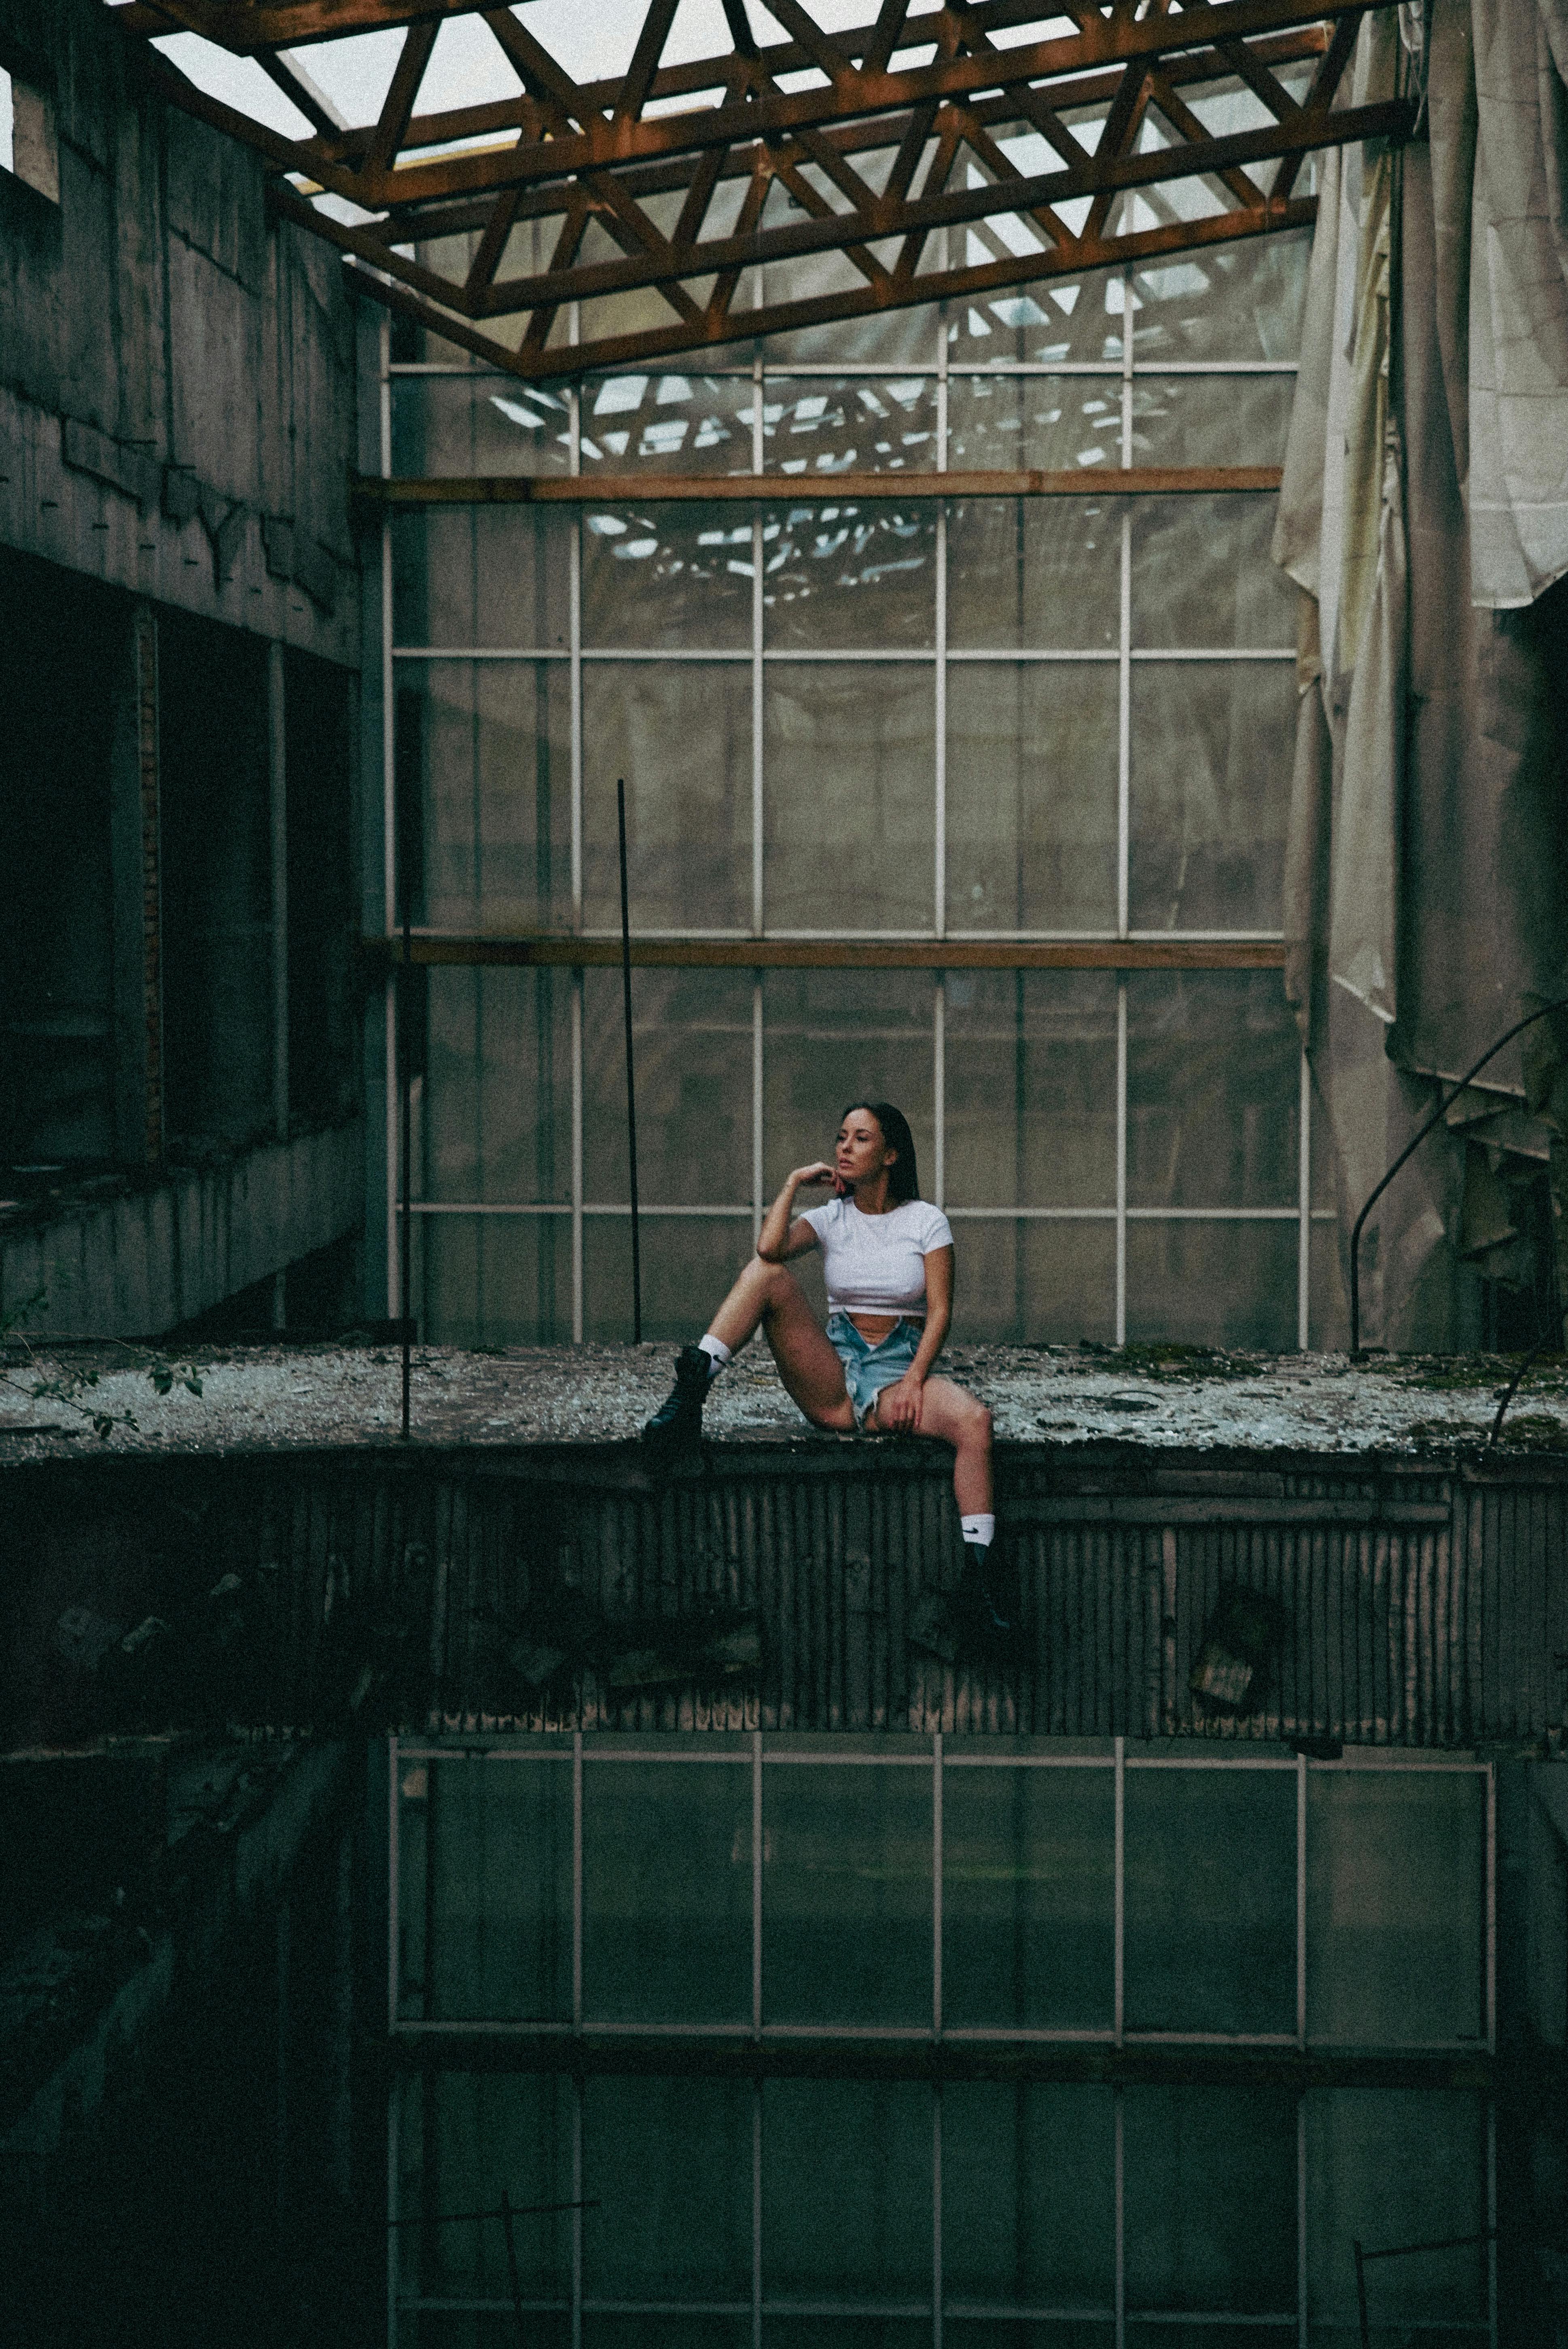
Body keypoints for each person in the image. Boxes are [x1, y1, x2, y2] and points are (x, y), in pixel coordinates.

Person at [640, 1100, 1014, 1645]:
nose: (844, 1147)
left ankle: (979, 1584)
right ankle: (688, 1397)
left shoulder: (926, 1221)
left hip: (896, 1374)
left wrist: (913, 1380)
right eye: (841, 1136)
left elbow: (940, 1313)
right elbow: (769, 1250)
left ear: (890, 1154)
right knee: (767, 1277)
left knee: (975, 1422)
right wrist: (794, 1183)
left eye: (860, 1139)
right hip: (834, 1376)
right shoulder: (829, 1218)